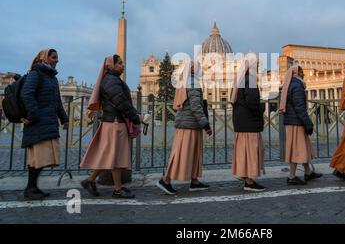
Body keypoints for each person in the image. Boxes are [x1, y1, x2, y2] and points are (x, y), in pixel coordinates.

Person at [80, 55, 141, 199]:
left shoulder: (111, 80)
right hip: (115, 123)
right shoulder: (111, 81)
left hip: (112, 122)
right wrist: (135, 117)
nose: (123, 65)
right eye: (119, 63)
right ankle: (117, 190)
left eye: (123, 63)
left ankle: (90, 180)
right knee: (115, 156)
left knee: (109, 154)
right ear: (110, 65)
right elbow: (121, 102)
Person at [156, 61, 212, 195]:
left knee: (193, 153)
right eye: (198, 66)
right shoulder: (193, 83)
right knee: (181, 153)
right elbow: (195, 106)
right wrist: (206, 124)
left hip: (189, 123)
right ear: (192, 69)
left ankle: (194, 181)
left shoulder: (187, 80)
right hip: (189, 124)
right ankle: (165, 180)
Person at [21, 49, 69, 200]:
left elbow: (57, 100)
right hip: (38, 122)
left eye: (57, 58)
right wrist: (33, 115)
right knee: (37, 157)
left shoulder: (51, 77)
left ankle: (33, 187)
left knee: (41, 158)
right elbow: (27, 94)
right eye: (54, 57)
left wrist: (64, 118)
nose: (57, 60)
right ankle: (30, 188)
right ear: (44, 58)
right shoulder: (36, 74)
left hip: (47, 122)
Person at [280, 64, 322, 186]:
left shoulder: (290, 84)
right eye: (301, 71)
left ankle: (308, 172)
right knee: (296, 149)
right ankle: (292, 176)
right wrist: (308, 123)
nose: (303, 73)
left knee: (303, 147)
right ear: (296, 73)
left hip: (294, 120)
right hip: (296, 122)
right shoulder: (297, 86)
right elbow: (300, 107)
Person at [231, 54, 266, 192]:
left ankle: (244, 175)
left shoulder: (238, 79)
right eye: (256, 65)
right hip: (249, 121)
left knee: (243, 151)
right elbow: (252, 101)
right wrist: (261, 109)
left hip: (240, 121)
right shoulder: (250, 79)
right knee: (252, 151)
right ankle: (250, 181)